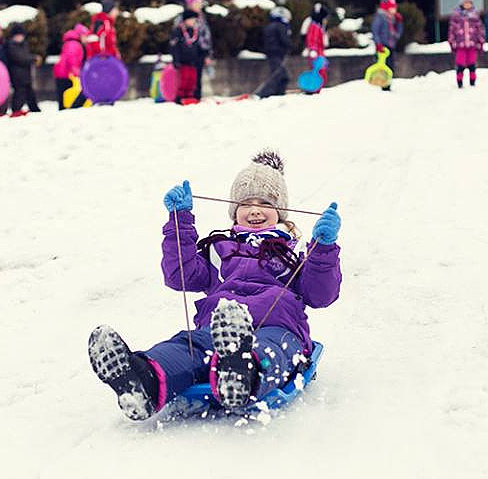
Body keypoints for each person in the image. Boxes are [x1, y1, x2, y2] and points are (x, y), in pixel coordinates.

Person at [87, 150, 343, 420]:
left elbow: (320, 294)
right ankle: (141, 379)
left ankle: (241, 373)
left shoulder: (294, 252)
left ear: (280, 211)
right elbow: (179, 274)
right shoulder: (218, 249)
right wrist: (179, 223)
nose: (255, 209)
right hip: (219, 328)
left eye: (265, 203)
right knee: (187, 347)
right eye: (246, 203)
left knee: (273, 350)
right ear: (234, 212)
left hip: (277, 328)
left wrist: (324, 249)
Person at [172, 0, 213, 99]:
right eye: (196, 3)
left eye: (200, 4)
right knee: (185, 76)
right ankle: (183, 96)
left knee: (196, 76)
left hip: (199, 51)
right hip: (185, 53)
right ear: (189, 4)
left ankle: (196, 96)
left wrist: (207, 53)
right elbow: (176, 37)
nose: (199, 6)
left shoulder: (202, 18)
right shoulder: (182, 18)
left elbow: (206, 36)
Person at [447, 0, 485, 89]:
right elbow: (452, 30)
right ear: (461, 4)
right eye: (465, 2)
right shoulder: (456, 16)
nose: (467, 4)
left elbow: (479, 29)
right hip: (461, 44)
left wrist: (480, 41)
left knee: (472, 63)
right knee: (460, 63)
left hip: (472, 44)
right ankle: (459, 80)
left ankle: (472, 81)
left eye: (469, 2)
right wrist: (452, 41)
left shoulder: (475, 16)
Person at [5, 24, 41, 117]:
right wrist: (33, 58)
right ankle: (16, 110)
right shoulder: (11, 46)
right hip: (16, 74)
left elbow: (25, 57)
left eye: (21, 35)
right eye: (17, 35)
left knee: (29, 92)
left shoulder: (24, 45)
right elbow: (20, 58)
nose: (20, 37)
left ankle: (34, 109)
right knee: (19, 92)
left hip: (26, 73)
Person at [371, 0, 403, 91]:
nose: (394, 9)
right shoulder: (380, 17)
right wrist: (378, 44)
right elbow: (375, 31)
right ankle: (383, 85)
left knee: (391, 66)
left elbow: (398, 33)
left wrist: (399, 22)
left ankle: (388, 83)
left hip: (391, 45)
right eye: (392, 7)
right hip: (383, 46)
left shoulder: (393, 18)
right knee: (383, 66)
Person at [54, 23, 90, 109]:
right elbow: (72, 60)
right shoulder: (74, 44)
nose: (86, 39)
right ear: (80, 35)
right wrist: (77, 73)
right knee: (66, 98)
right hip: (65, 74)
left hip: (62, 73)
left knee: (63, 97)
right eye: (85, 36)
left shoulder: (72, 42)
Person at [259, 6, 292, 98]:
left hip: (272, 53)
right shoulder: (280, 26)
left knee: (280, 75)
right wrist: (289, 46)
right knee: (278, 75)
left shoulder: (270, 26)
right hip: (277, 53)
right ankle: (264, 93)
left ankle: (278, 94)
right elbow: (285, 40)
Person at [170, 9, 203, 103]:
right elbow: (174, 47)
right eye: (192, 20)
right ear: (186, 20)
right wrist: (176, 60)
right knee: (183, 79)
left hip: (193, 61)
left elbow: (198, 46)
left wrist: (202, 55)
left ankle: (190, 96)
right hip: (182, 61)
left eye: (195, 20)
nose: (194, 22)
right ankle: (180, 96)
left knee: (192, 79)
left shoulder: (194, 31)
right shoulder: (178, 31)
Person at [300, 2, 330, 92]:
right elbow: (312, 39)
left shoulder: (319, 26)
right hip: (316, 52)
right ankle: (313, 88)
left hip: (319, 52)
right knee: (319, 71)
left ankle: (316, 88)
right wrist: (313, 50)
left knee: (321, 71)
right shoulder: (314, 26)